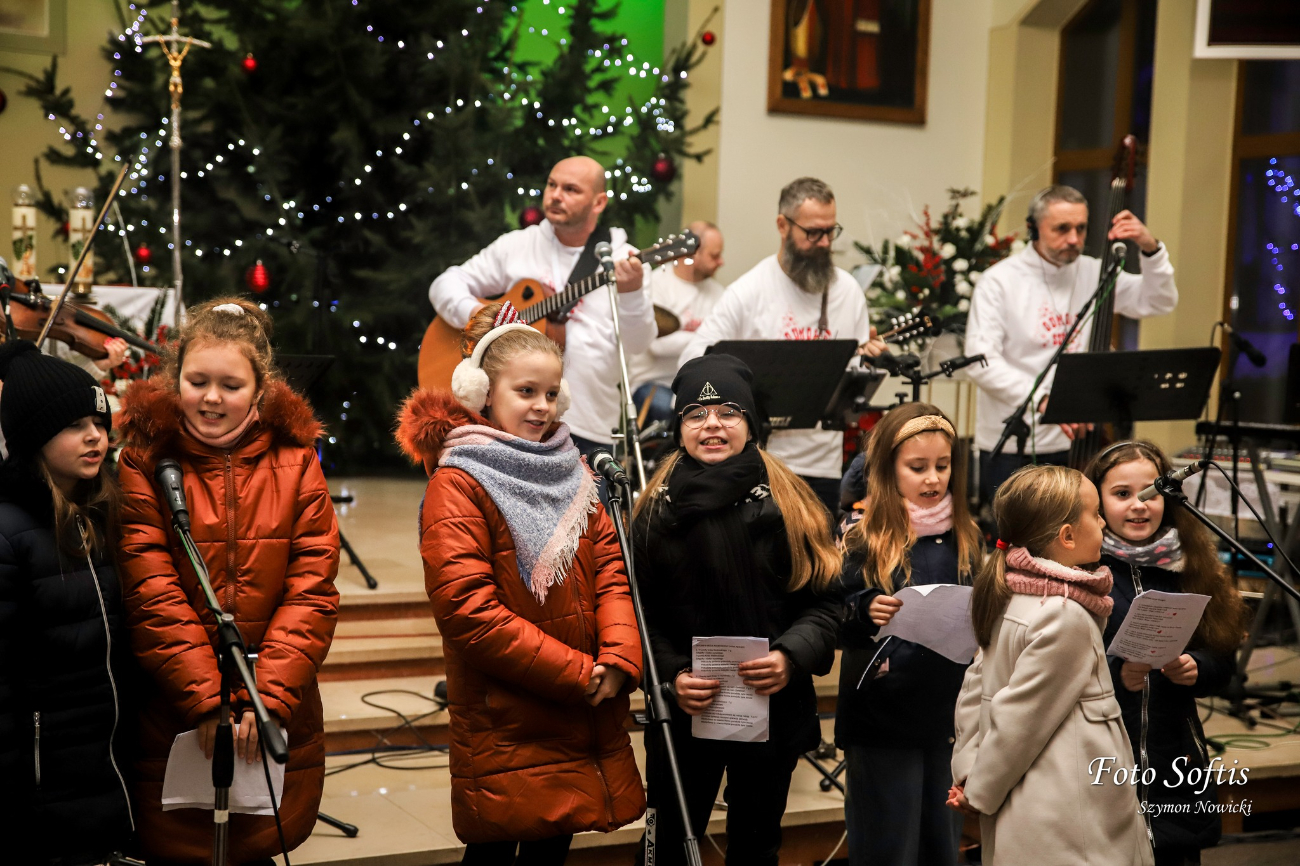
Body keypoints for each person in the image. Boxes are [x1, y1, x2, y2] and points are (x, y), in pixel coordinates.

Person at [396, 301, 645, 865]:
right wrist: (580, 673)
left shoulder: (574, 469)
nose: (541, 407)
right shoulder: (459, 480)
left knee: (552, 846)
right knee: (497, 847)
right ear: (482, 392)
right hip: (508, 707)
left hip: (581, 696)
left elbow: (610, 571)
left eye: (551, 394)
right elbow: (468, 611)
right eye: (526, 392)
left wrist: (620, 658)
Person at [116, 297, 340, 864]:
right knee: (181, 849)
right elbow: (152, 593)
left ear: (260, 391)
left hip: (274, 700)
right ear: (175, 380)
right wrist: (208, 701)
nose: (211, 397)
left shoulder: (298, 460)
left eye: (230, 384)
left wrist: (264, 698)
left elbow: (312, 587)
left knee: (256, 844)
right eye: (197, 380)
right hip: (177, 699)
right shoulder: (145, 459)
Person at [631, 353, 841, 866]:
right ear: (679, 427)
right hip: (684, 716)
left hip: (771, 712)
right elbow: (637, 618)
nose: (713, 425)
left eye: (728, 411)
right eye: (696, 415)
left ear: (751, 423)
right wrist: (673, 675)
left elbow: (828, 604)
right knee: (665, 853)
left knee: (756, 847)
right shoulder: (652, 511)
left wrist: (791, 656)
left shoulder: (793, 504)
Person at [950, 464, 1154, 866]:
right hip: (1067, 820)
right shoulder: (1064, 615)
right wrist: (978, 793)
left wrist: (969, 770)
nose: (1101, 523)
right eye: (1095, 515)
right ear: (1067, 536)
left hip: (1033, 806)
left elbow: (973, 692)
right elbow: (1020, 721)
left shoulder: (1009, 594)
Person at [0, 341, 136, 864]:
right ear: (35, 436)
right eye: (75, 425)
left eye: (100, 424)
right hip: (40, 777)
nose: (95, 437)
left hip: (104, 762)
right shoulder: (9, 533)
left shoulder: (100, 512)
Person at [680, 177, 885, 517]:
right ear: (782, 225)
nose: (824, 242)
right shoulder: (748, 292)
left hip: (822, 464)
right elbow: (693, 360)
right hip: (758, 462)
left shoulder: (848, 292)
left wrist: (864, 365)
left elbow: (855, 378)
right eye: (813, 232)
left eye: (831, 231)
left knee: (818, 565)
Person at [1086, 441, 1247, 866]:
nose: (1140, 506)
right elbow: (1059, 663)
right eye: (1122, 494)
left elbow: (1222, 655)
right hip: (1105, 758)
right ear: (1095, 501)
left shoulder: (1191, 564)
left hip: (1174, 755)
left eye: (1153, 493)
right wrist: (1116, 673)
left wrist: (1199, 667)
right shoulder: (1083, 570)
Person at [965, 185, 1179, 503]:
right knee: (1016, 547)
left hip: (1081, 443)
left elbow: (1158, 301)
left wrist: (1150, 249)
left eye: (1081, 228)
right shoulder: (1000, 280)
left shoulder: (1094, 271)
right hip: (1014, 444)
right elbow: (980, 360)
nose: (1074, 239)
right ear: (1034, 228)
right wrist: (1044, 400)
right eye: (1062, 229)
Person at [836, 403, 983, 866]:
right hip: (882, 712)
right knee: (889, 842)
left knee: (942, 839)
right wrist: (863, 610)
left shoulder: (967, 535)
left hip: (950, 712)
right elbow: (828, 612)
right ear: (886, 470)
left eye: (942, 466)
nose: (933, 479)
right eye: (917, 468)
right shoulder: (862, 535)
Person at [429, 156, 652, 456]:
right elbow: (444, 284)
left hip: (589, 424)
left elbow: (638, 344)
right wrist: (477, 315)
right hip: (508, 425)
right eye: (552, 185)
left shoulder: (625, 260)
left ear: (599, 202)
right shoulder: (518, 244)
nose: (556, 195)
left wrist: (632, 292)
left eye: (571, 189)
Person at [629, 220, 727, 422]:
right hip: (652, 384)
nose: (721, 262)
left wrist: (685, 338)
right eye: (714, 256)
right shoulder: (656, 284)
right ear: (692, 253)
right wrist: (706, 338)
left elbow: (724, 345)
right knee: (684, 416)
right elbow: (658, 346)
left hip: (698, 387)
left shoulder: (720, 294)